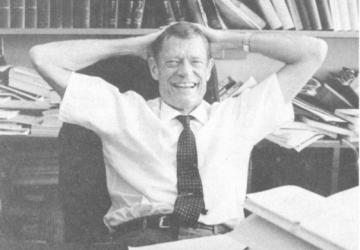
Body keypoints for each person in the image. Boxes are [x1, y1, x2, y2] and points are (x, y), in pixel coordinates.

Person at [29, 22, 327, 247]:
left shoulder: (237, 115)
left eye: (196, 62)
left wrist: (226, 37)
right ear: (154, 68)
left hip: (218, 242)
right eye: (172, 62)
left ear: (209, 69)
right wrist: (133, 45)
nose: (185, 72)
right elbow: (41, 56)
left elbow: (313, 52)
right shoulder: (122, 111)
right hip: (142, 238)